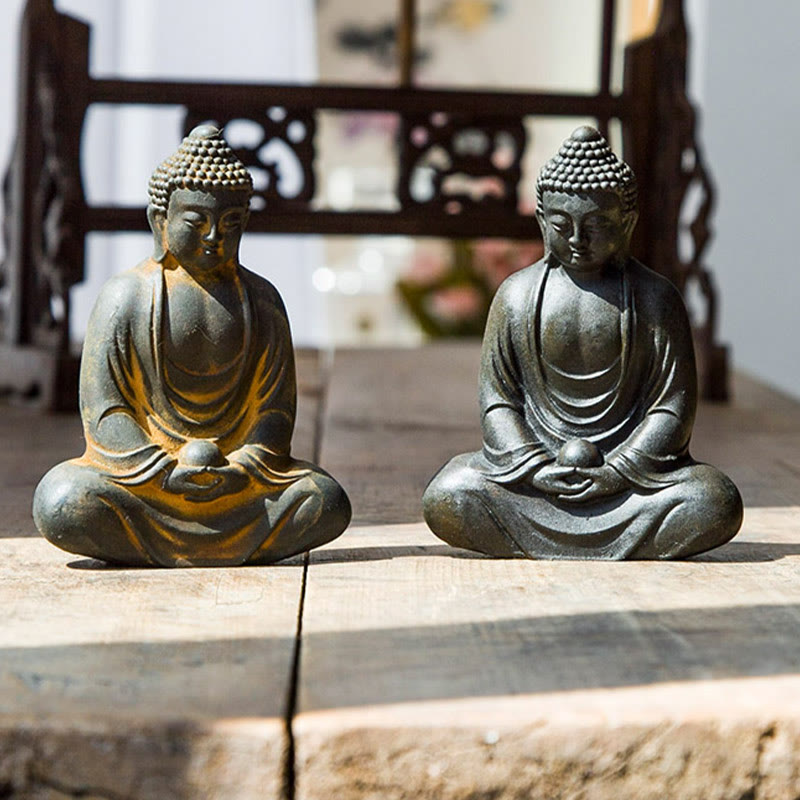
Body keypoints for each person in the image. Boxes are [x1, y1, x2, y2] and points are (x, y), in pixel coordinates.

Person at [33, 126, 350, 566]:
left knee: (324, 500)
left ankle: (200, 541)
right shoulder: (126, 297)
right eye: (196, 222)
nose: (213, 237)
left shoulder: (261, 301)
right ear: (159, 222)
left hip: (236, 486)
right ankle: (205, 543)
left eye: (231, 223)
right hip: (147, 485)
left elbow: (275, 412)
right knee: (63, 500)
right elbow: (106, 411)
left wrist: (241, 467)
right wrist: (165, 470)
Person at [423, 126, 742, 560]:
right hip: (538, 483)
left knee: (713, 500)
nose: (577, 239)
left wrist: (616, 471)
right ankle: (584, 535)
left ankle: (581, 535)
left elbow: (672, 406)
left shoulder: (654, 299)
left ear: (626, 223)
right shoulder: (516, 297)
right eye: (562, 224)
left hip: (627, 487)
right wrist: (535, 467)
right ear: (541, 221)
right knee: (451, 492)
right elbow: (498, 401)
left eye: (596, 225)